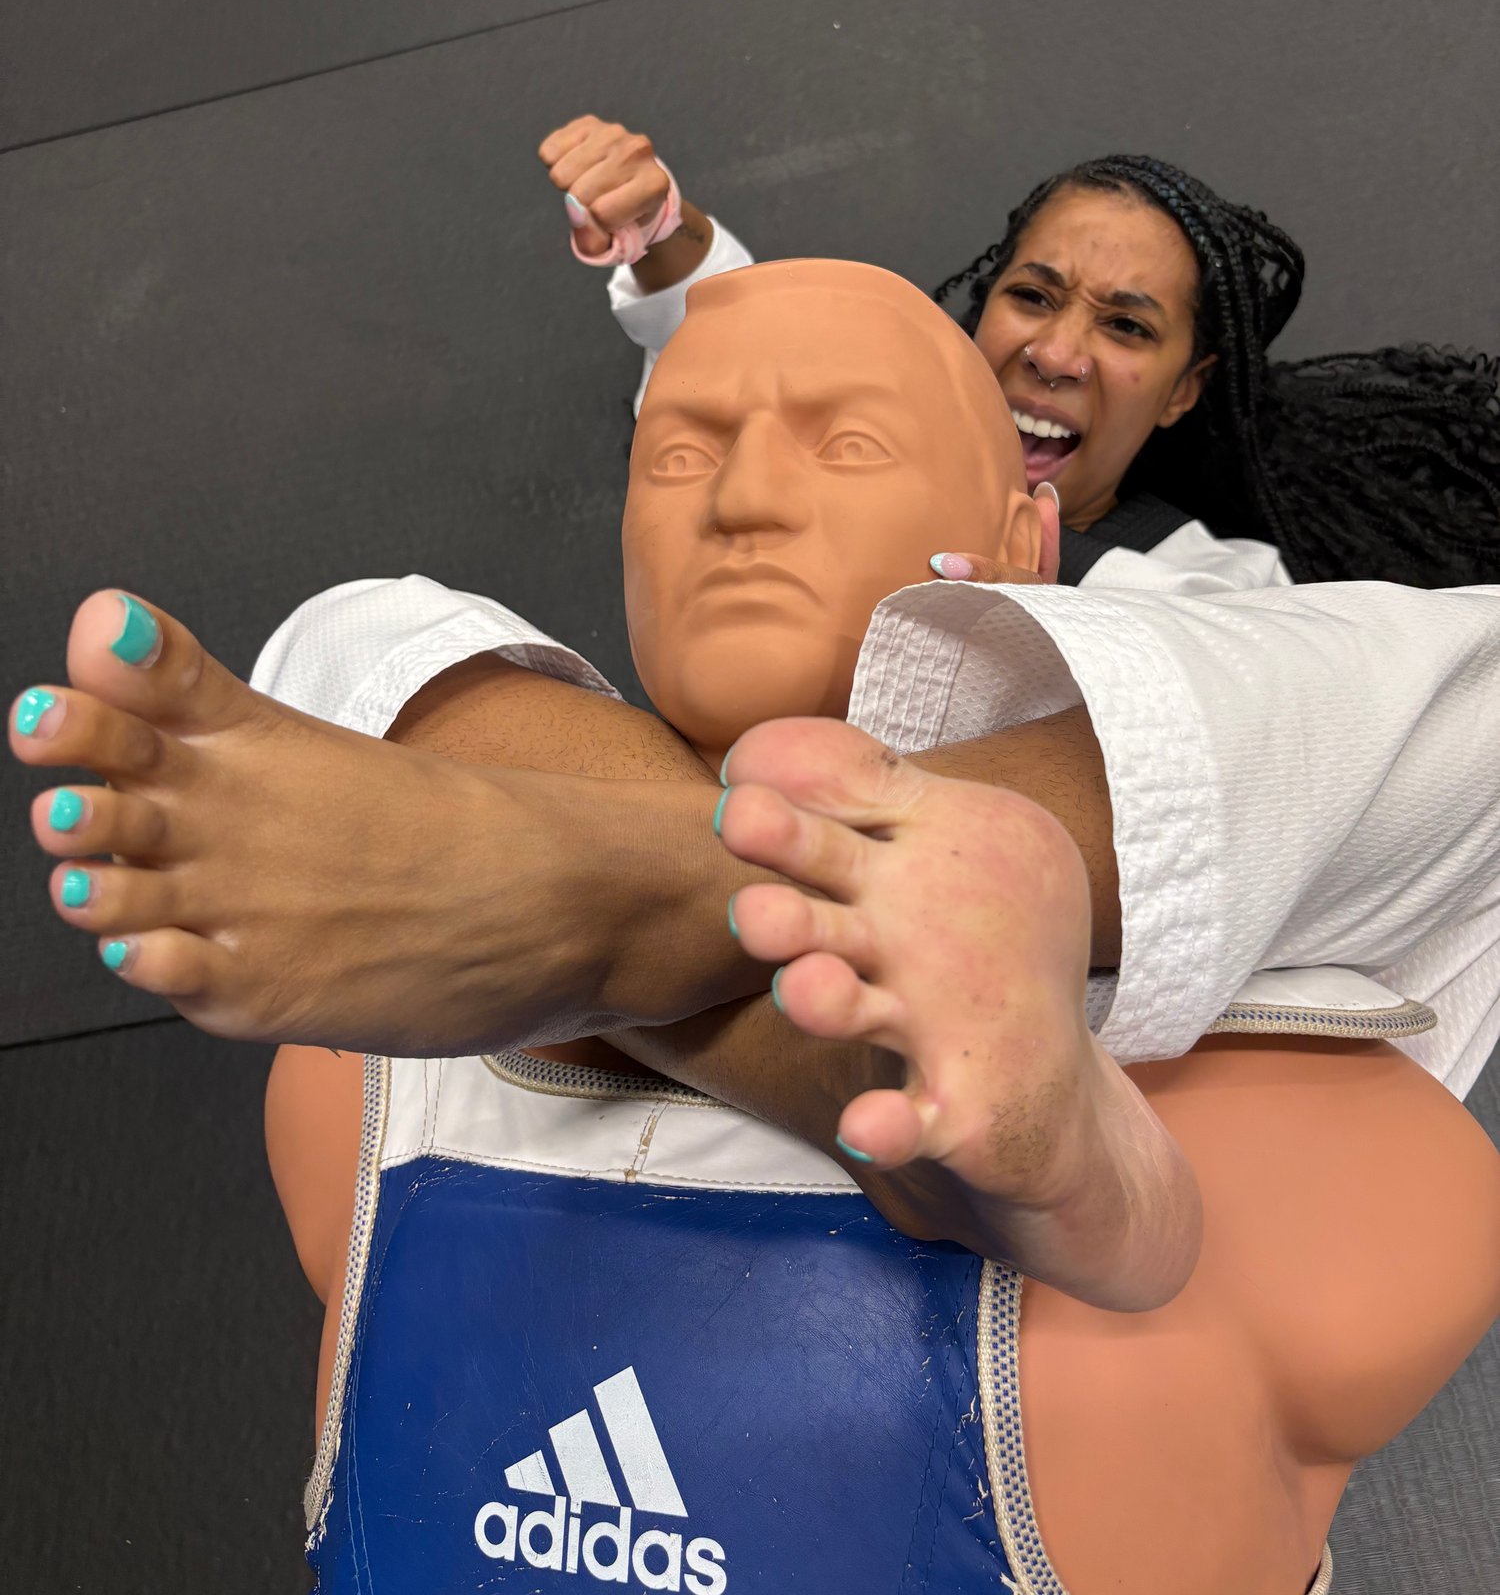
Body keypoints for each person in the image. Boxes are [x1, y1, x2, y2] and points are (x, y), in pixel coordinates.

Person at [15, 264, 1498, 1593]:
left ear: (1023, 539)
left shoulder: (1317, 1126)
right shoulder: (367, 1084)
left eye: (847, 446)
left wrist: (593, 893)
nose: (740, 500)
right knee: (360, 630)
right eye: (679, 454)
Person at [540, 115, 1500, 590]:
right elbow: (742, 342)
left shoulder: (1209, 591)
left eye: (1126, 327)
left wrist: (1046, 629)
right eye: (1033, 296)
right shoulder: (831, 449)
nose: (1057, 352)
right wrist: (656, 221)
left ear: (1183, 391)